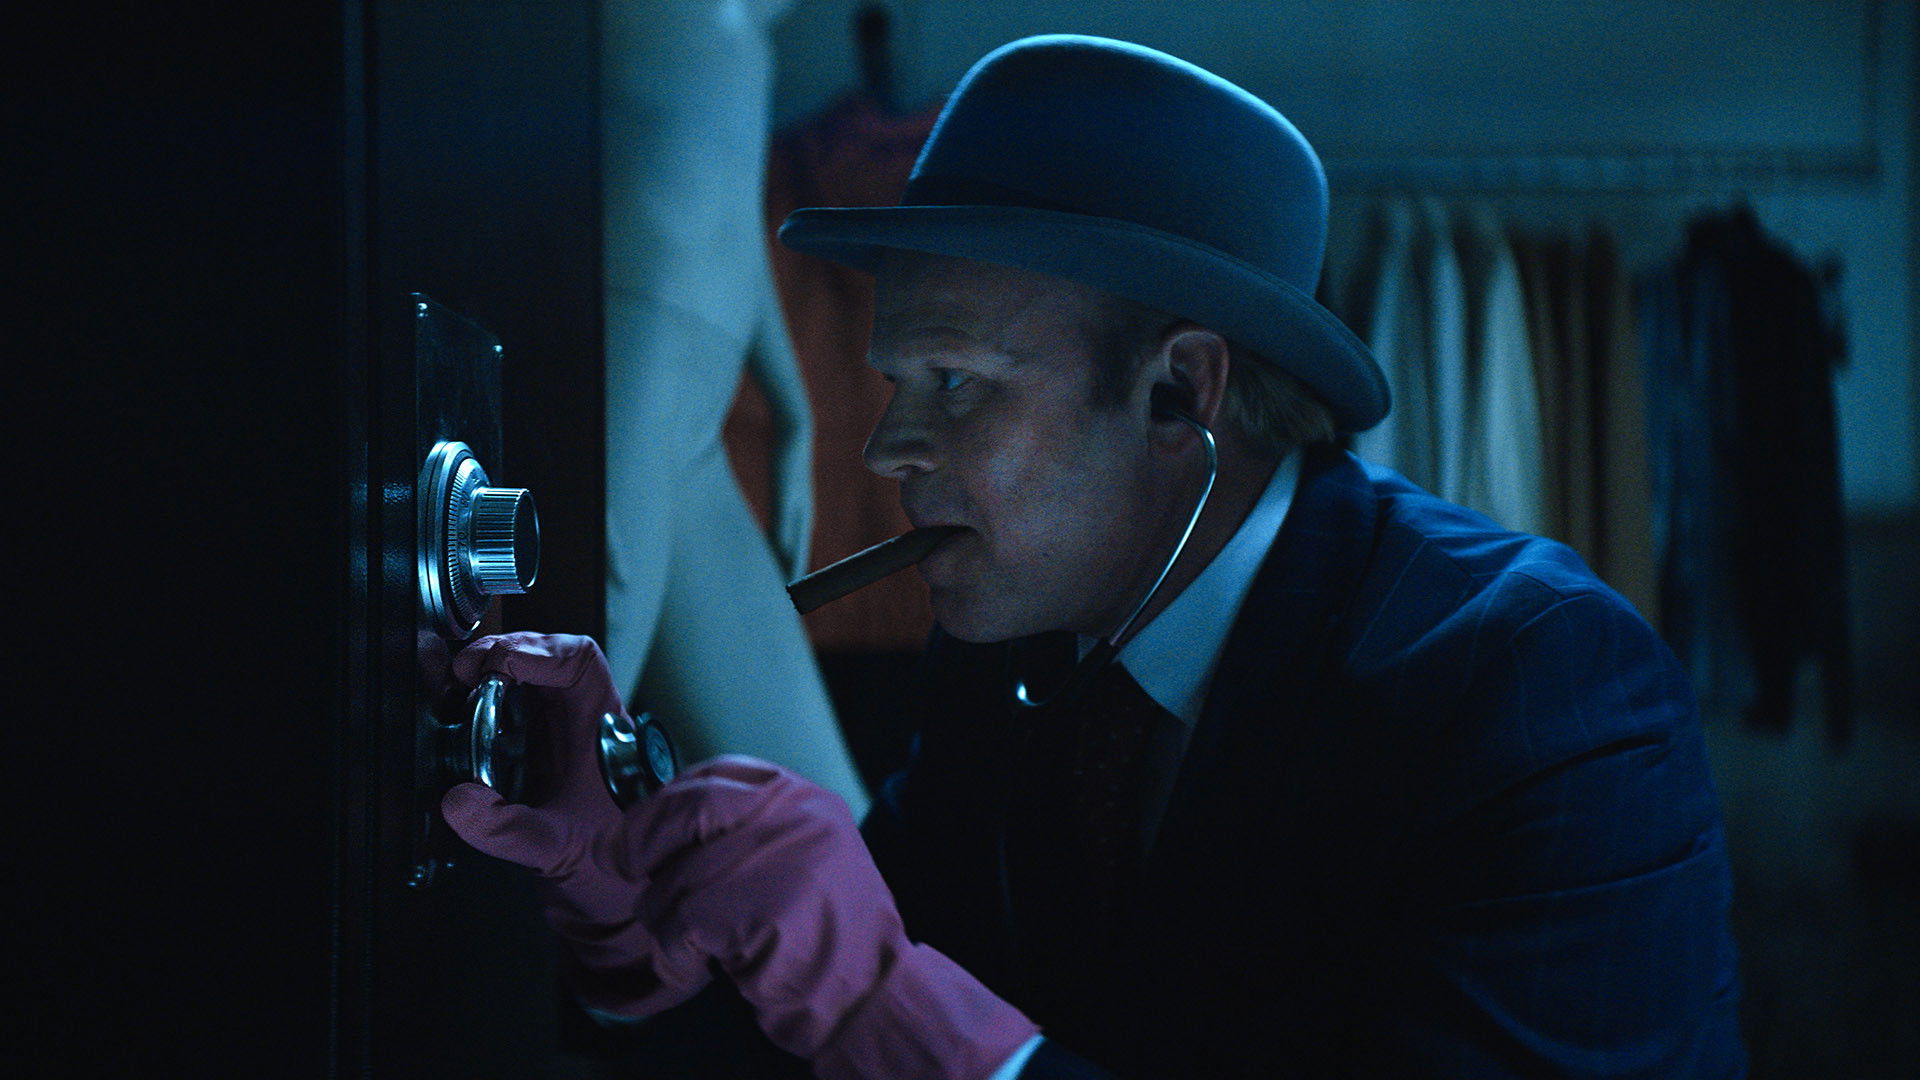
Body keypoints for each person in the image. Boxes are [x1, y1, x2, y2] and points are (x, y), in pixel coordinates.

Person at [441, 35, 1746, 1079]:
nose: (886, 449)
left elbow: (892, 1017)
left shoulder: (1536, 692)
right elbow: (831, 1045)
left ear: (1181, 392)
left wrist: (876, 992)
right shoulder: (1015, 657)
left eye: (955, 384)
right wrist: (630, 906)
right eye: (898, 383)